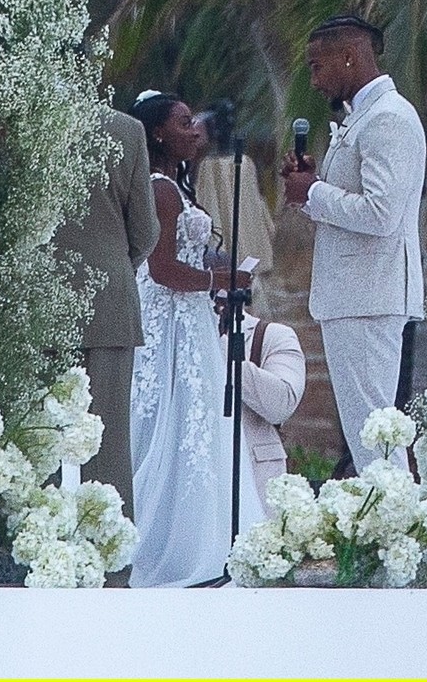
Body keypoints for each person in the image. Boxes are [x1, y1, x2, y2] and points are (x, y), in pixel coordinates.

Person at [127, 91, 264, 587]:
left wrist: (221, 270)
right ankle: (166, 546)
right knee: (172, 422)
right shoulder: (160, 189)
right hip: (168, 323)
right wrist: (220, 283)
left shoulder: (177, 186)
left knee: (195, 426)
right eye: (184, 123)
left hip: (188, 320)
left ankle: (196, 536)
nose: (196, 130)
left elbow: (187, 255)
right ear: (158, 132)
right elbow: (162, 269)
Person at [281, 14, 426, 473]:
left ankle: (397, 535)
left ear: (349, 56)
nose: (314, 80)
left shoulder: (388, 119)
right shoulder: (364, 117)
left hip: (370, 297)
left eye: (317, 66)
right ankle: (385, 533)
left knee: (377, 440)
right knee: (370, 438)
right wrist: (306, 192)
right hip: (355, 297)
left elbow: (381, 215)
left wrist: (315, 192)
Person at [52, 106, 159, 569]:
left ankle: (37, 554)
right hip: (110, 297)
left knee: (36, 439)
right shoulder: (127, 129)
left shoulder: (21, 119)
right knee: (110, 441)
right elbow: (146, 230)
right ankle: (113, 565)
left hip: (39, 300)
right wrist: (116, 263)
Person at [214, 295, 306, 513]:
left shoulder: (273, 335)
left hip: (256, 482)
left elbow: (282, 405)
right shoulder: (174, 341)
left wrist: (218, 347)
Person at [193, 100, 275, 312]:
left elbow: (252, 209)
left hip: (247, 251)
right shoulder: (209, 166)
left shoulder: (245, 163)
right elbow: (209, 206)